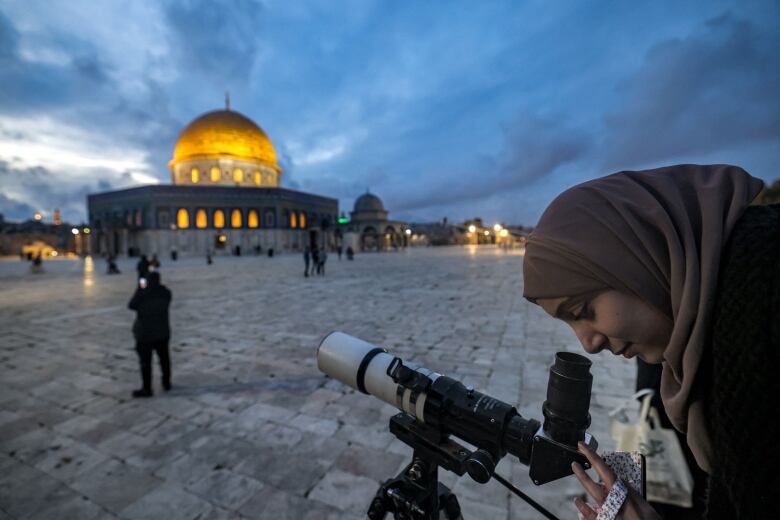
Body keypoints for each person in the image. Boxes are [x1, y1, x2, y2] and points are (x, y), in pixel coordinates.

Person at [522, 164, 777, 519]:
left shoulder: (763, 306)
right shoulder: (706, 335)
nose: (588, 344)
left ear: (634, 261)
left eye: (584, 310)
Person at [128, 271, 172, 397]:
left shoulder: (143, 295)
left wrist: (139, 290)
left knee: (145, 362)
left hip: (145, 334)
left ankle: (147, 388)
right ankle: (166, 382)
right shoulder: (166, 293)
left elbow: (131, 305)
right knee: (164, 359)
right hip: (163, 332)